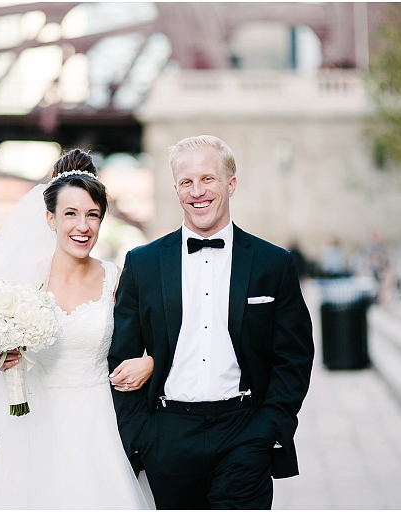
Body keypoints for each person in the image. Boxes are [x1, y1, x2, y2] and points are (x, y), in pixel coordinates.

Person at [108, 135, 314, 509]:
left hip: (244, 431)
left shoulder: (274, 264)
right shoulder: (143, 264)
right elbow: (118, 354)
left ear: (230, 184)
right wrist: (141, 433)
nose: (196, 191)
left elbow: (295, 355)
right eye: (186, 182)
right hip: (167, 435)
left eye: (208, 179)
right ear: (175, 189)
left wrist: (270, 426)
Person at [0, 149, 155, 509]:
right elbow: (1, 359)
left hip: (98, 420)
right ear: (50, 219)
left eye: (93, 215)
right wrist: (3, 358)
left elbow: (149, 341)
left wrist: (149, 362)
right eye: (71, 214)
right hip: (34, 426)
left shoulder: (115, 278)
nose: (82, 226)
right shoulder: (23, 285)